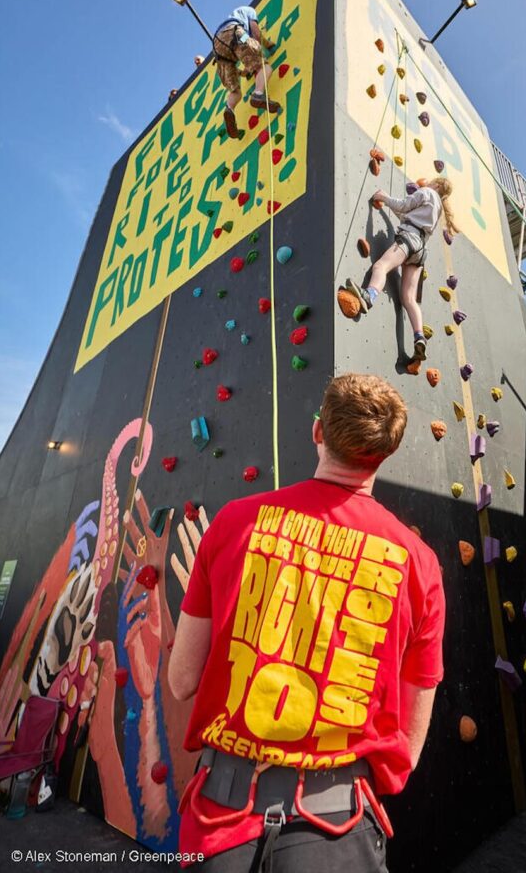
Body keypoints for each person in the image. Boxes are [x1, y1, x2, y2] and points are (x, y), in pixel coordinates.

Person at [169, 373, 446, 872]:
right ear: (385, 454)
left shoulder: (234, 523)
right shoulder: (419, 562)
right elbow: (409, 738)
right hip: (338, 826)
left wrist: (217, 595)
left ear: (318, 432)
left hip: (219, 818)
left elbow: (181, 679)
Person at [346, 178, 459, 362]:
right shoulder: (436, 208)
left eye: (431, 181)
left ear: (437, 185)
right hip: (420, 250)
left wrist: (384, 197)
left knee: (380, 266)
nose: (427, 182)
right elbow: (408, 215)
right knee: (408, 299)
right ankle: (419, 337)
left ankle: (369, 295)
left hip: (409, 239)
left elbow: (405, 205)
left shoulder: (427, 192)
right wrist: (388, 207)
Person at [212, 5, 280, 139]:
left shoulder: (232, 16)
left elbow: (237, 61)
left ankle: (229, 108)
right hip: (236, 34)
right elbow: (256, 33)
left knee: (235, 91)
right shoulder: (249, 11)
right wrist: (268, 45)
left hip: (219, 51)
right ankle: (258, 94)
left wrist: (244, 72)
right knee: (264, 67)